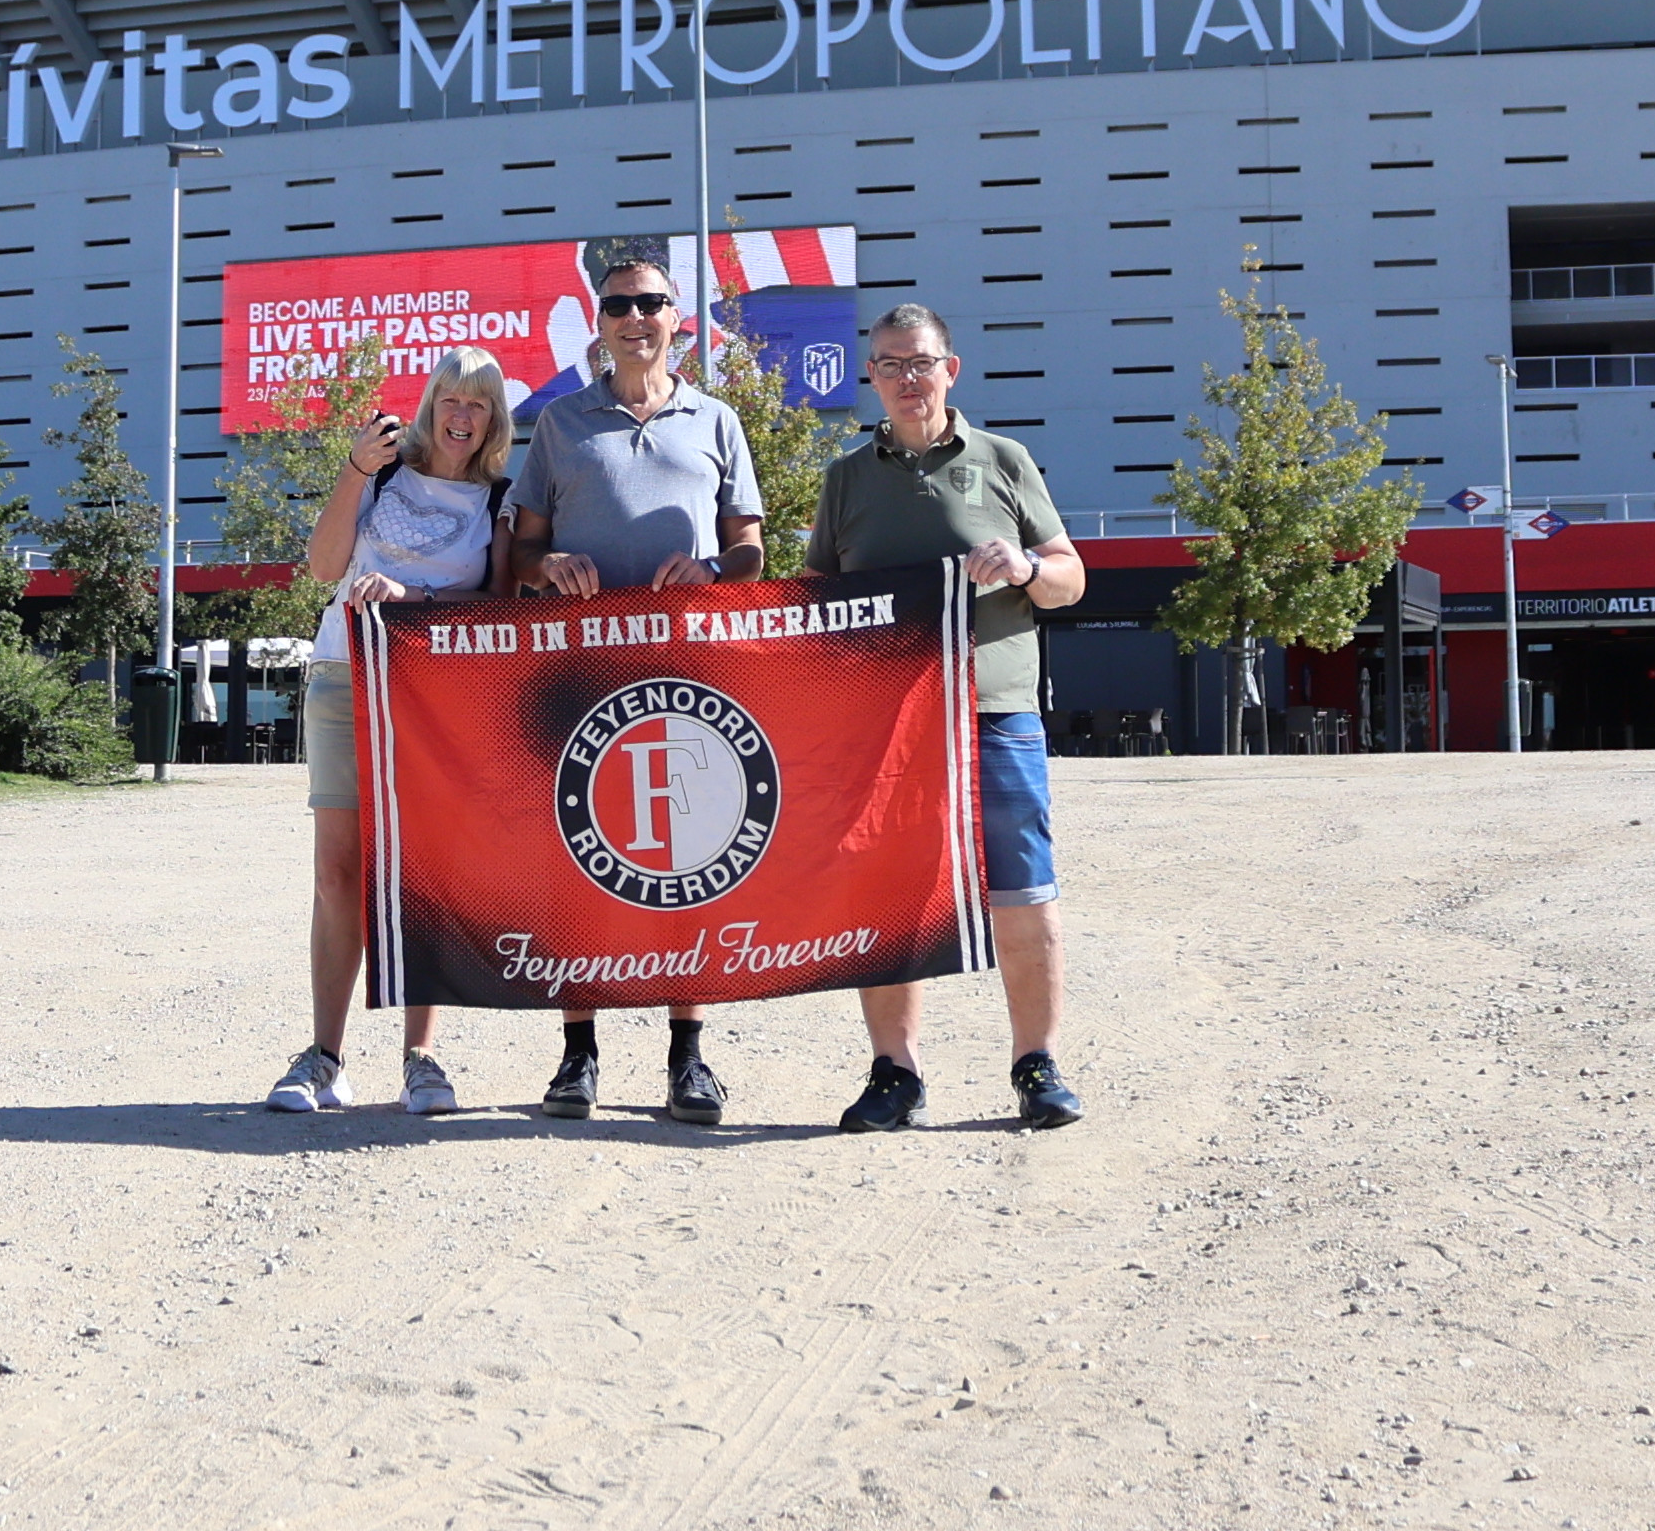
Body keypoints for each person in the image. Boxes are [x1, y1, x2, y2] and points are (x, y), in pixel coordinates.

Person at [802, 302, 1089, 1133]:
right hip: (884, 723)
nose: (905, 378)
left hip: (993, 713)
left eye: (919, 362)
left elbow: (1071, 578)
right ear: (874, 380)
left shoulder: (1005, 460)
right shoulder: (845, 479)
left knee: (1023, 888)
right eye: (888, 365)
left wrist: (1030, 564)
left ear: (949, 370)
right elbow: (817, 602)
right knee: (888, 894)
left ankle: (1037, 1065)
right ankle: (896, 1072)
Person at [501, 253, 766, 1124]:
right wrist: (551, 565)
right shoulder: (559, 425)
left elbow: (752, 552)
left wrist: (714, 570)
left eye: (650, 302)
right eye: (618, 304)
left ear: (675, 315)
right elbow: (522, 556)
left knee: (686, 860)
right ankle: (578, 1055)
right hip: (579, 672)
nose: (635, 317)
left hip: (687, 674)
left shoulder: (716, 420)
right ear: (600, 320)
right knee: (580, 857)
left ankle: (688, 1057)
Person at [263, 344, 513, 1118]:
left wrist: (413, 598)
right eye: (450, 399)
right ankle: (326, 1058)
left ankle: (421, 1059)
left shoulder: (499, 499)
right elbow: (322, 566)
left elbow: (501, 608)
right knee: (339, 874)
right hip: (344, 676)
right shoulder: (384, 476)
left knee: (422, 878)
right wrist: (351, 470)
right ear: (431, 406)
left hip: (435, 695)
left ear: (492, 418)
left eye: (477, 403)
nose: (461, 416)